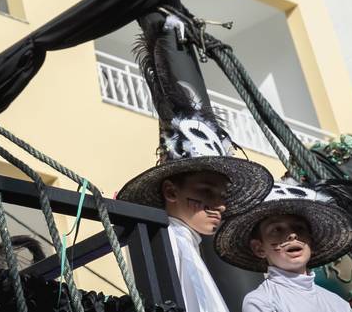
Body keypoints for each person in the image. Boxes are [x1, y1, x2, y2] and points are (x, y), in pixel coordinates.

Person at [117, 119, 273, 312]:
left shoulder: (182, 241)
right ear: (171, 192)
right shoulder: (167, 240)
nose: (221, 206)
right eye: (207, 192)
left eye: (223, 196)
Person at [215, 180, 352, 312]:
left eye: (299, 228)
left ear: (311, 242)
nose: (292, 235)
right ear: (259, 248)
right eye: (277, 230)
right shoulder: (261, 302)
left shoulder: (339, 304)